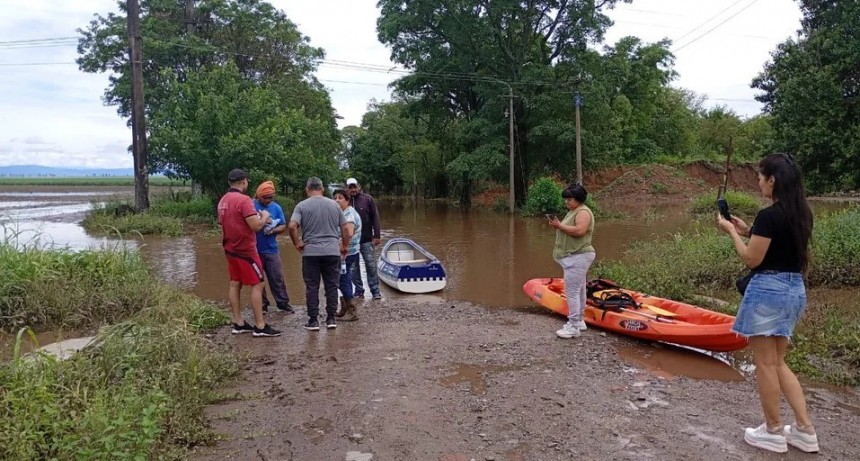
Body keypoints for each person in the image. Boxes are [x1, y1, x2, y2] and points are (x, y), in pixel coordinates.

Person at [717, 153, 818, 454]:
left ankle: (773, 430)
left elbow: (751, 258)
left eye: (761, 177)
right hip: (794, 290)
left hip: (768, 291)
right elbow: (779, 245)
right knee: (778, 361)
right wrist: (750, 230)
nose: (758, 182)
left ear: (772, 180)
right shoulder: (803, 213)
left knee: (764, 363)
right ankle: (804, 430)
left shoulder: (769, 215)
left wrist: (732, 232)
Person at [216, 169, 281, 337]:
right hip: (246, 250)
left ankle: (238, 322)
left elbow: (222, 225)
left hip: (230, 248)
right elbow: (256, 226)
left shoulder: (223, 200)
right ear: (243, 181)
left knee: (235, 283)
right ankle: (260, 325)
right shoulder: (244, 200)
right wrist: (265, 216)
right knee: (258, 284)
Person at [289, 177, 351, 331]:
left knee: (312, 286)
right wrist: (344, 245)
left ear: (307, 189)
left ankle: (313, 320)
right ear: (322, 189)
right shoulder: (334, 205)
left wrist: (297, 243)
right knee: (332, 286)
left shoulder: (301, 206)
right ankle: (331, 319)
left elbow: (291, 226)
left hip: (310, 252)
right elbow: (345, 229)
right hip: (332, 251)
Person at [547, 183, 596, 339]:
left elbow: (580, 231)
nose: (566, 202)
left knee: (572, 292)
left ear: (578, 199)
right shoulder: (573, 211)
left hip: (578, 256)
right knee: (579, 289)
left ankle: (573, 326)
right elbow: (569, 229)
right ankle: (579, 320)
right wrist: (558, 225)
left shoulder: (583, 212)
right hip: (574, 256)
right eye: (566, 200)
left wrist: (560, 225)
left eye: (569, 199)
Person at [252, 180, 294, 314]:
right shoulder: (251, 206)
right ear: (259, 195)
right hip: (253, 249)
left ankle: (282, 303)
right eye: (266, 197)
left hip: (271, 249)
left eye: (271, 197)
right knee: (258, 279)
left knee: (277, 277)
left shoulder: (276, 208)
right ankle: (263, 305)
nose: (268, 200)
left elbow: (283, 226)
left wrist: (273, 230)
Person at [346, 177, 383, 300]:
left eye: (354, 187)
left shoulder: (367, 199)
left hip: (367, 239)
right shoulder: (344, 201)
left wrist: (377, 235)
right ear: (347, 189)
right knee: (353, 267)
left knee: (371, 265)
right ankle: (359, 291)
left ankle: (375, 291)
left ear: (359, 187)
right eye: (350, 187)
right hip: (351, 242)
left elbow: (375, 217)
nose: (353, 189)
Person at [333, 189, 362, 321]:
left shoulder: (349, 214)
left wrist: (342, 246)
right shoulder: (343, 213)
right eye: (335, 198)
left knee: (343, 279)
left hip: (347, 252)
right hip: (348, 252)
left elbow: (349, 233)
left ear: (347, 200)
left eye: (340, 198)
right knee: (344, 279)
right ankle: (344, 307)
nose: (337, 200)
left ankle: (352, 310)